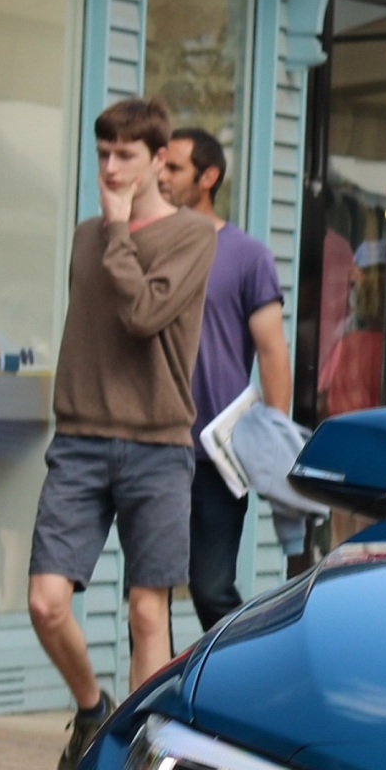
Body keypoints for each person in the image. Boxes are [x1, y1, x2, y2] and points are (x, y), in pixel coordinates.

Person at [27, 96, 219, 770]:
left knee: (147, 611)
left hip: (159, 444)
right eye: (102, 153)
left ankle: (142, 763)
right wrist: (108, 231)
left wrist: (116, 232)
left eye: (125, 156)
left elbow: (142, 314)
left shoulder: (195, 236)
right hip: (80, 437)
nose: (109, 168)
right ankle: (91, 708)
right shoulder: (88, 235)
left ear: (158, 161)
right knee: (46, 602)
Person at [160, 121, 287, 628]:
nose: (162, 176)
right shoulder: (149, 246)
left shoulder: (247, 256)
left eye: (174, 167)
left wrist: (275, 444)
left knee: (211, 588)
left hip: (217, 452)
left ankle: (247, 682)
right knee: (148, 596)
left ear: (208, 176)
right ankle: (154, 705)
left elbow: (273, 352)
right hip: (154, 448)